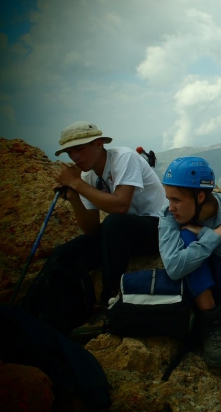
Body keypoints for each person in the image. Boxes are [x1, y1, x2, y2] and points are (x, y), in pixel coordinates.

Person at [24, 121, 166, 337]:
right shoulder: (88, 176)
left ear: (99, 144)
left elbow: (120, 206)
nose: (74, 157)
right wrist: (73, 196)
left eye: (79, 149)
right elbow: (90, 229)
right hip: (124, 234)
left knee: (114, 222)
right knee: (65, 253)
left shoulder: (123, 158)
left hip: (157, 227)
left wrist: (77, 184)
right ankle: (36, 315)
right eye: (70, 152)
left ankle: (108, 303)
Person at [158, 156, 221, 370]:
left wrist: (205, 233)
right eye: (168, 199)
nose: (171, 207)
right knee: (188, 238)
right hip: (200, 290)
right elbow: (175, 267)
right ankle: (212, 325)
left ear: (200, 196)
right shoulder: (168, 216)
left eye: (176, 200)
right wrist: (215, 235)